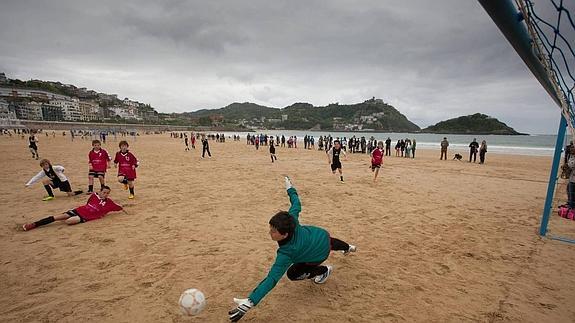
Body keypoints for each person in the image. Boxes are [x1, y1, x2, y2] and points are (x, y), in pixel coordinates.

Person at [228, 177, 356, 322]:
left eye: (273, 231)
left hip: (318, 255)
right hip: (320, 235)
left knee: (292, 274)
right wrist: (290, 189)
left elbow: (272, 279)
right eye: (271, 228)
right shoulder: (292, 219)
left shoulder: (286, 253)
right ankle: (349, 247)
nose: (270, 232)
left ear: (285, 234)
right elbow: (296, 203)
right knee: (331, 242)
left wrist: (251, 301)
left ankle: (324, 271)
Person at [21, 186, 125, 231]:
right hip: (79, 210)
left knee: (68, 221)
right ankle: (34, 224)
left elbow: (119, 207)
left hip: (85, 217)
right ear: (100, 191)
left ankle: (68, 217)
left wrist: (123, 208)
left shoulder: (109, 202)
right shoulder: (94, 196)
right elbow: (87, 203)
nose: (105, 194)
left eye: (107, 193)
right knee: (57, 217)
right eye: (104, 192)